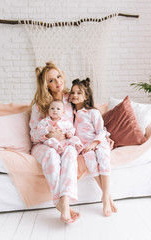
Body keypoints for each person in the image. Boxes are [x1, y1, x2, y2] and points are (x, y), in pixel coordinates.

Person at [29, 62, 80, 223]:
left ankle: (64, 201)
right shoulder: (39, 105)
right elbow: (33, 135)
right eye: (51, 80)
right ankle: (60, 203)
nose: (57, 82)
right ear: (46, 85)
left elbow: (87, 118)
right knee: (51, 155)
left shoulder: (71, 98)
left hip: (66, 143)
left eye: (58, 76)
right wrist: (49, 134)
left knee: (71, 153)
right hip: (43, 145)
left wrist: (102, 136)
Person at [69, 78, 117, 216]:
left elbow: (101, 131)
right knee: (89, 159)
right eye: (72, 92)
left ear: (86, 96)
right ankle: (107, 197)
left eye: (79, 93)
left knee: (102, 157)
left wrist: (95, 143)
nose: (75, 95)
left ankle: (105, 198)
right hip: (84, 146)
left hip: (98, 142)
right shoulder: (70, 114)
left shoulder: (92, 112)